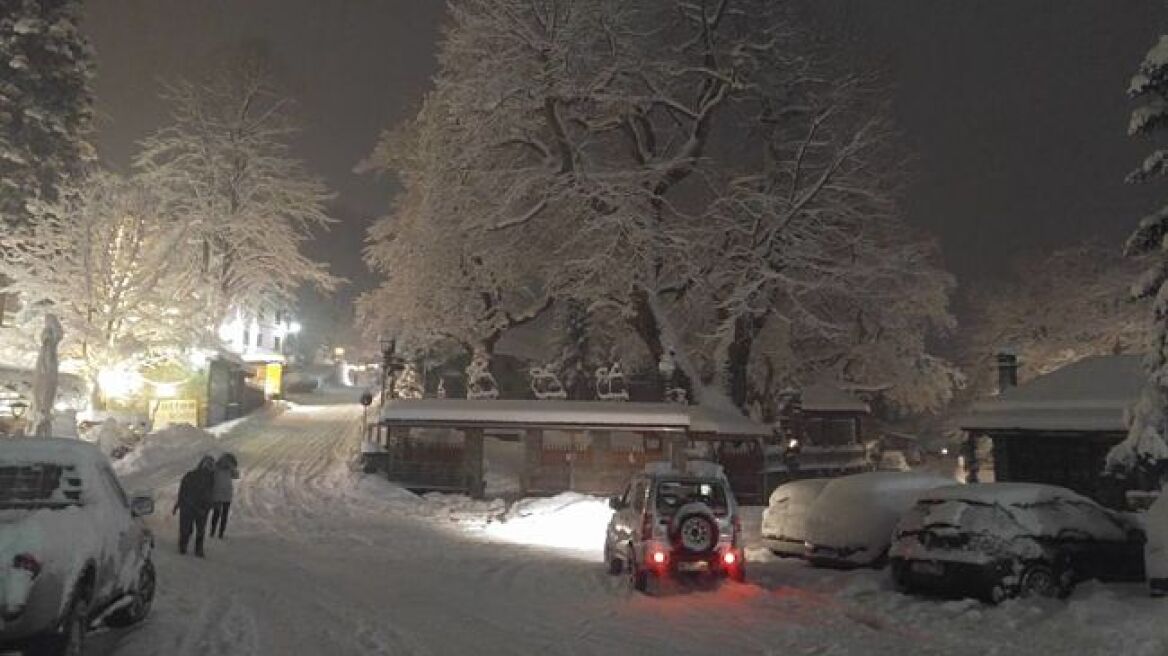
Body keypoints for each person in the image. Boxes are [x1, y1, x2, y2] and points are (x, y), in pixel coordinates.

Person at [173, 455, 215, 557]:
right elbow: (183, 490)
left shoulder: (208, 478)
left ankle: (186, 547)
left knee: (190, 529)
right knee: (194, 529)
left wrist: (179, 503)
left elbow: (182, 491)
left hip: (193, 507)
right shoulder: (204, 477)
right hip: (193, 506)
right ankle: (194, 549)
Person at [210, 453, 239, 539]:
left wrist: (232, 468)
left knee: (224, 514)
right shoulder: (216, 468)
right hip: (218, 493)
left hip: (226, 494)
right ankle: (213, 531)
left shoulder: (229, 470)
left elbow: (236, 476)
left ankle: (221, 532)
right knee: (216, 513)